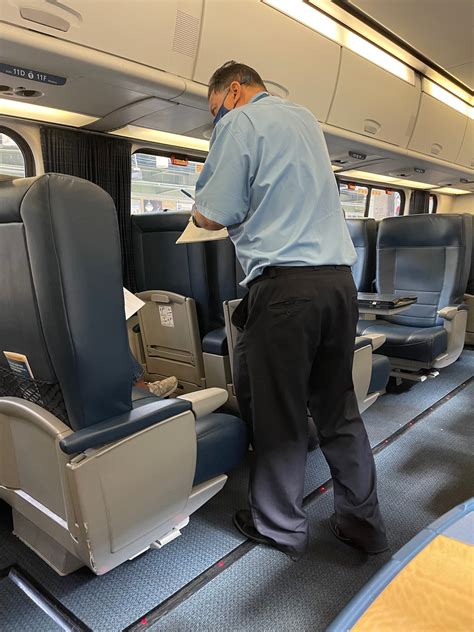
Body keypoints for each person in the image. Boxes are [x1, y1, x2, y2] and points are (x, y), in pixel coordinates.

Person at [192, 61, 387, 561]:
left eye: (215, 111)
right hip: (337, 285)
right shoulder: (304, 119)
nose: (217, 121)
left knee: (278, 414)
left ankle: (280, 528)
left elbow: (215, 212)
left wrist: (198, 208)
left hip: (285, 290)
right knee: (339, 411)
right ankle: (363, 525)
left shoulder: (240, 122)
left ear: (233, 91)